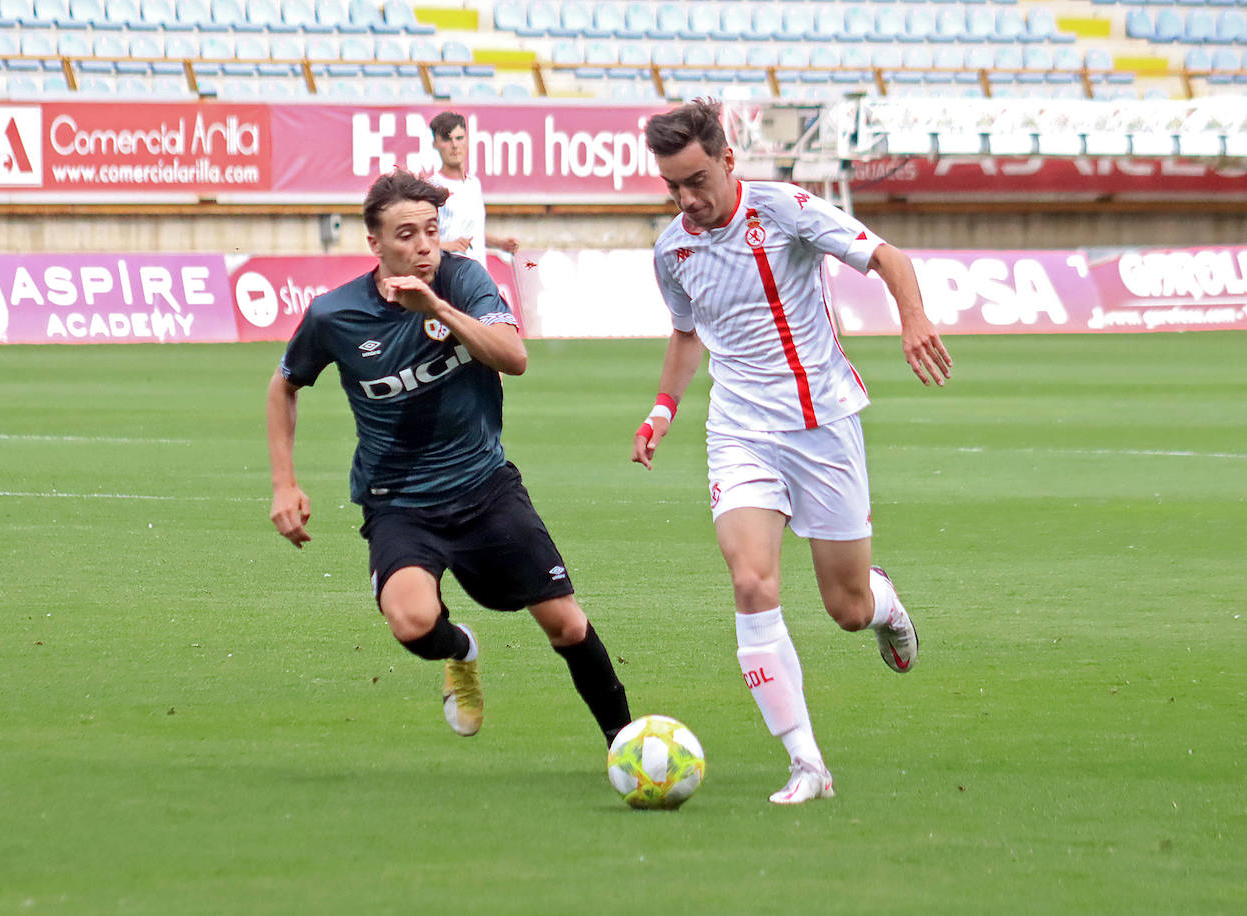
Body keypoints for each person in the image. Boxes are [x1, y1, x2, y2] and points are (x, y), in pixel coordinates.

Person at [631, 99, 953, 805]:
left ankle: (884, 605)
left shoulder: (784, 210)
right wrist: (663, 410)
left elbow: (884, 256)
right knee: (752, 582)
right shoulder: (672, 251)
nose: (687, 199)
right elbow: (687, 334)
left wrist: (915, 318)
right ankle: (807, 762)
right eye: (671, 187)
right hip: (740, 431)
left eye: (696, 181)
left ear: (726, 161)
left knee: (845, 605)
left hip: (822, 424)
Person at [267, 169, 630, 750]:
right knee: (411, 622)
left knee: (564, 622)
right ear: (375, 244)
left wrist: (434, 305)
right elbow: (284, 384)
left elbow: (514, 356)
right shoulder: (333, 316)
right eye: (406, 234)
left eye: (431, 231)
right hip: (399, 505)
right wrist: (284, 483)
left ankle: (626, 739)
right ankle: (461, 650)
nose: (422, 245)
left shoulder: (465, 282)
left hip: (485, 490)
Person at [425, 110, 520, 265]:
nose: (455, 145)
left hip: (477, 277)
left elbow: (472, 231)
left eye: (459, 138)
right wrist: (445, 246)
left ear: (467, 140)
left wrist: (500, 243)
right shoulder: (431, 188)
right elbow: (418, 241)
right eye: (447, 140)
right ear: (435, 143)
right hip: (447, 276)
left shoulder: (473, 184)